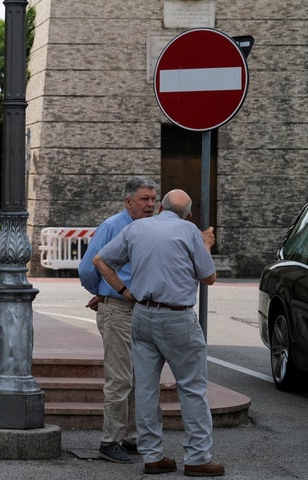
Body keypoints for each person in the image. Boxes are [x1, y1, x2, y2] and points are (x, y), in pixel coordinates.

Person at [92, 189, 224, 477]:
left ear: (161, 207)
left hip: (142, 314)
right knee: (192, 388)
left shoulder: (136, 228)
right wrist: (206, 244)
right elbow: (209, 277)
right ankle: (198, 457)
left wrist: (125, 291)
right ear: (188, 214)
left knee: (146, 389)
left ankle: (152, 456)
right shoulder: (189, 231)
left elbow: (100, 261)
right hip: (177, 317)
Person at [78, 176, 158, 463]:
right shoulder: (113, 226)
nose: (150, 205)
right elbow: (88, 267)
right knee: (120, 378)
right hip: (119, 310)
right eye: (144, 199)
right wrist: (104, 291)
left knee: (139, 377)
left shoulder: (152, 228)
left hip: (142, 310)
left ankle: (129, 438)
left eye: (153, 199)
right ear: (128, 202)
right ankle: (109, 441)